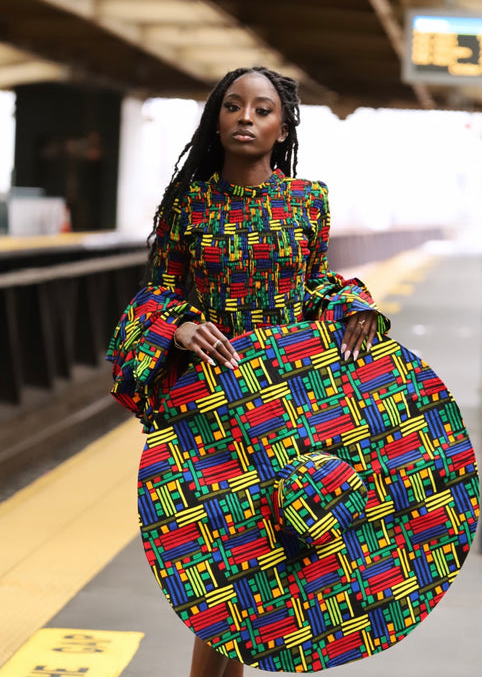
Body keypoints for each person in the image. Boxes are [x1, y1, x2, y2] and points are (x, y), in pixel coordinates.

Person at [107, 66, 390, 677]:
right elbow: (158, 290)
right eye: (233, 106)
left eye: (262, 110)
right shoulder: (188, 201)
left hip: (287, 403)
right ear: (216, 118)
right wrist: (177, 326)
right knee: (225, 564)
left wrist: (353, 304)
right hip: (207, 402)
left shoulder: (308, 200)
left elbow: (316, 284)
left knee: (254, 562)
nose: (245, 117)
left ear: (282, 127)